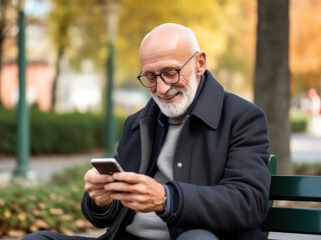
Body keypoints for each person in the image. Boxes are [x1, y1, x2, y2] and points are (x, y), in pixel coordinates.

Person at [22, 23, 271, 240]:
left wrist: (167, 198)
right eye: (150, 77)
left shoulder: (243, 118)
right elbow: (106, 217)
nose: (161, 88)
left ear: (200, 63)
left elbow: (248, 202)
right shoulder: (138, 122)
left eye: (170, 72)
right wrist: (100, 200)